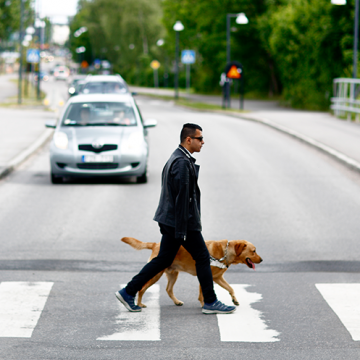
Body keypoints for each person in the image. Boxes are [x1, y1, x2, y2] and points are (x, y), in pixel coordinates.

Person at [115, 123, 236, 315]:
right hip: (181, 223)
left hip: (173, 221)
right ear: (189, 140)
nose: (203, 142)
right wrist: (182, 230)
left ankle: (128, 291)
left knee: (163, 260)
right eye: (200, 138)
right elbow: (182, 199)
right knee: (203, 257)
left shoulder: (179, 158)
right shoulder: (181, 163)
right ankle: (210, 302)